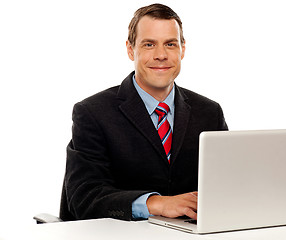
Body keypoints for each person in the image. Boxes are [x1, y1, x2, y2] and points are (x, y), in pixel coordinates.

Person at [61, 3, 228, 221]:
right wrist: (156, 203)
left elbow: (227, 186)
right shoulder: (92, 113)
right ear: (131, 49)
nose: (161, 55)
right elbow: (84, 198)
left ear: (183, 49)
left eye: (170, 44)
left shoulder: (209, 112)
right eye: (149, 44)